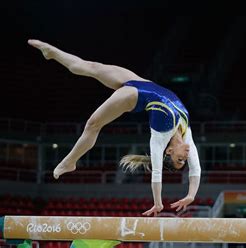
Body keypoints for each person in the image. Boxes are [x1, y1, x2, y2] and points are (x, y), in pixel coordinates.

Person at [28, 39, 201, 217]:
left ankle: (70, 162)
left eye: (179, 161)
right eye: (183, 161)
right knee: (92, 67)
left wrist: (158, 202)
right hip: (140, 82)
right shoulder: (186, 133)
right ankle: (52, 53)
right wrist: (191, 195)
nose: (185, 159)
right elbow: (196, 169)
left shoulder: (160, 136)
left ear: (169, 151)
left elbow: (157, 172)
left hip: (134, 95)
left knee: (92, 124)